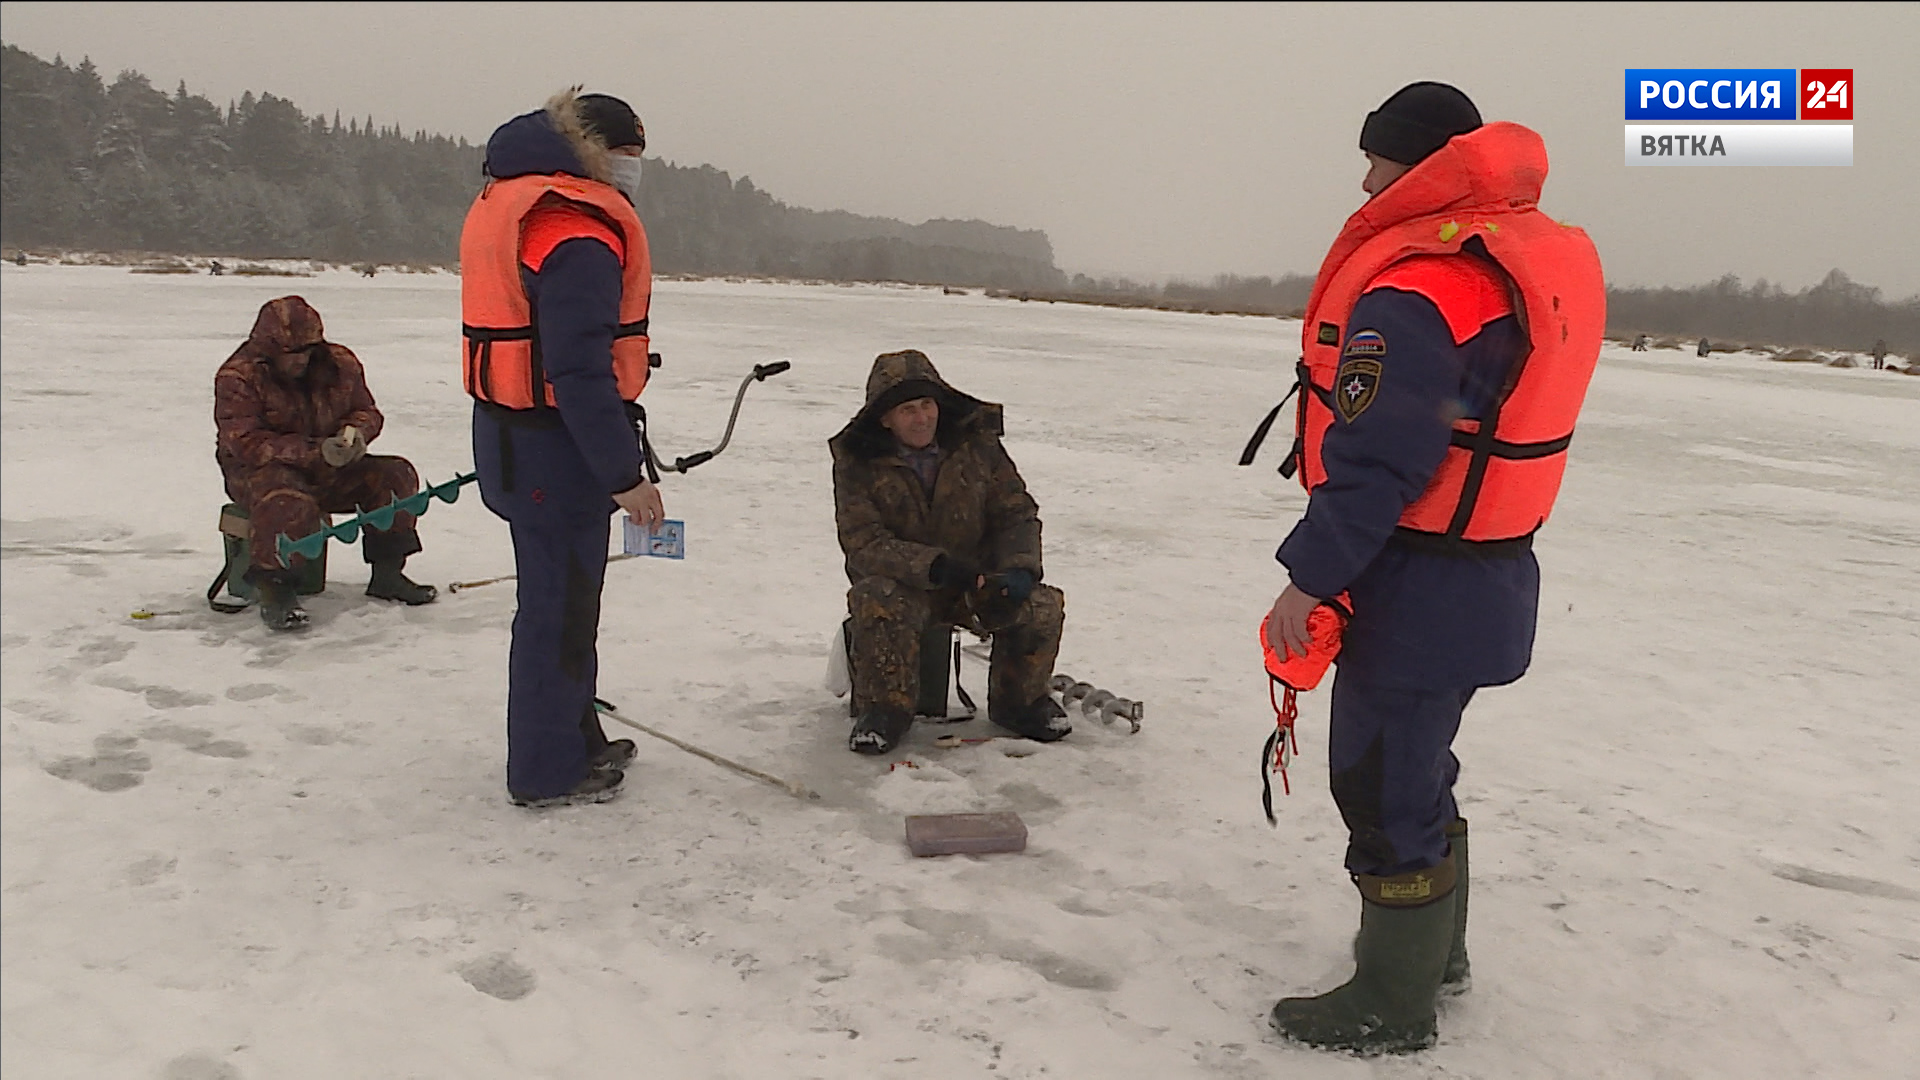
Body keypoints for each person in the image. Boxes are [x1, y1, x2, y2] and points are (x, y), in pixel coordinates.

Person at [1261, 83, 1604, 1053]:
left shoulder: (1421, 286)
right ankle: (1437, 956)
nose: (1362, 177)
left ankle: (1394, 999)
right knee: (1421, 767)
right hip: (1484, 574)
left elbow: (1379, 462)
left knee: (1382, 783)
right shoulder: (1507, 258)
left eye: (1376, 158)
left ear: (1413, 165)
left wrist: (1311, 576)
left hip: (1414, 583)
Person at [463, 89, 663, 808]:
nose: (635, 171)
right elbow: (577, 368)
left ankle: (575, 735)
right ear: (596, 153)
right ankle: (548, 770)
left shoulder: (520, 203)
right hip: (557, 456)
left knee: (568, 605)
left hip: (521, 444)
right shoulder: (574, 229)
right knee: (557, 611)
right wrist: (624, 475)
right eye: (629, 155)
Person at [829, 350, 1070, 754]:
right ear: (885, 418)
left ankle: (1021, 704)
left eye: (928, 404)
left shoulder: (978, 446)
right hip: (908, 587)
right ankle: (885, 711)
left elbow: (1016, 512)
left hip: (976, 583)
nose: (922, 417)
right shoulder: (858, 462)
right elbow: (863, 543)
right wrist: (936, 567)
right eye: (908, 409)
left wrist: (1019, 569)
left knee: (1043, 605)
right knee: (875, 600)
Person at [214, 296, 438, 631]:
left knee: (396, 475)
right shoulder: (238, 377)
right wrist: (316, 451)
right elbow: (246, 442)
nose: (300, 361)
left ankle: (388, 573)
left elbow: (367, 410)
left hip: (331, 467)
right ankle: (275, 589)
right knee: (287, 500)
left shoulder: (340, 364)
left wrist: (357, 434)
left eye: (307, 351)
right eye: (291, 354)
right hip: (258, 474)